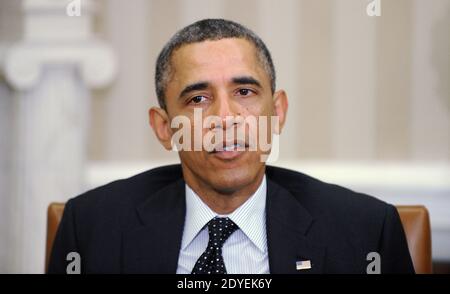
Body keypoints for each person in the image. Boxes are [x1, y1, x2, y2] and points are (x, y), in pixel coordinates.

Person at [48, 19, 414, 274]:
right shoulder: (92, 229)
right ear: (164, 128)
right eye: (198, 98)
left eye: (245, 92)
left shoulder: (366, 233)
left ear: (278, 111)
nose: (225, 117)